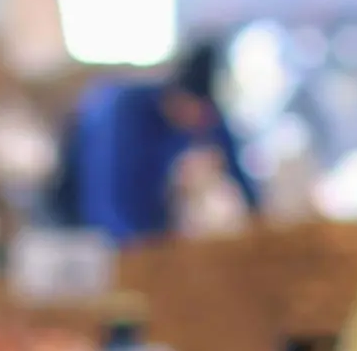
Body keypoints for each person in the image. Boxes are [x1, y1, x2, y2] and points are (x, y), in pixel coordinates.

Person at [50, 41, 258, 244]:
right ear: (179, 96)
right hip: (88, 229)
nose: (203, 126)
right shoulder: (120, 113)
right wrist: (141, 252)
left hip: (159, 234)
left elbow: (239, 177)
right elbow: (102, 204)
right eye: (200, 114)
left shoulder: (206, 118)